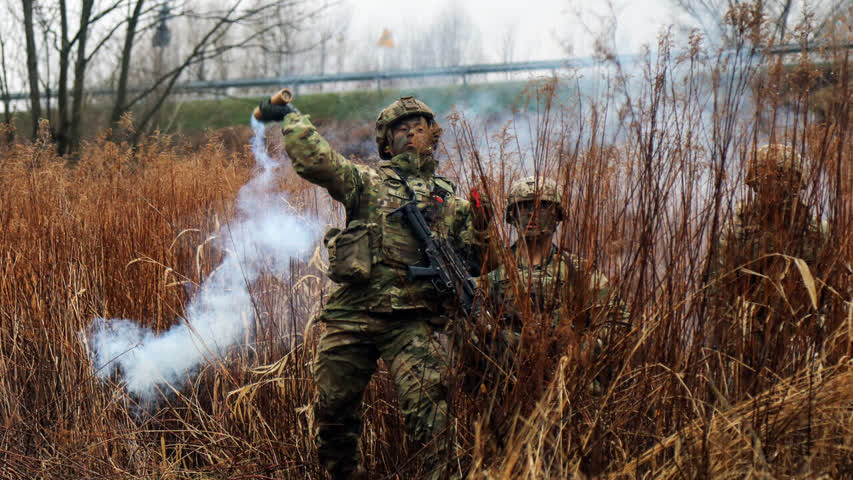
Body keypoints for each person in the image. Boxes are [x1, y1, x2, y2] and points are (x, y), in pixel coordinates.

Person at [256, 95, 492, 479]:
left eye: (420, 126)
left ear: (433, 136)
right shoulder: (366, 182)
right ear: (386, 142)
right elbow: (318, 161)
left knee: (431, 419)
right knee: (333, 412)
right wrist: (291, 117)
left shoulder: (454, 202)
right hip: (355, 313)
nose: (412, 133)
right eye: (402, 128)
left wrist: (481, 227)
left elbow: (477, 265)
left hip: (414, 321)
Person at [474, 176, 628, 393]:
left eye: (542, 206)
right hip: (506, 391)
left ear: (557, 216)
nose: (532, 214)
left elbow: (619, 322)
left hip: (567, 390)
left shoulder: (578, 271)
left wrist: (582, 350)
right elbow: (467, 320)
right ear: (512, 215)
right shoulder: (494, 271)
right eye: (523, 206)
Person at [710, 143, 829, 390]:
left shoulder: (816, 231)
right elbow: (718, 295)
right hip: (747, 339)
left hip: (801, 338)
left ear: (796, 187)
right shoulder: (737, 231)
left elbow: (833, 293)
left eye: (783, 183)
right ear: (755, 185)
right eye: (766, 183)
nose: (774, 192)